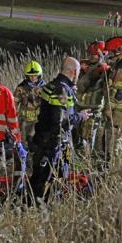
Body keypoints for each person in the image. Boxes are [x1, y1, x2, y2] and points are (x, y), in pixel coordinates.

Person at [29, 57, 91, 203]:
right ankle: (42, 209)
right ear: (74, 72)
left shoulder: (51, 85)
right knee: (50, 181)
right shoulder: (62, 89)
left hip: (42, 140)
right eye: (78, 72)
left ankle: (31, 204)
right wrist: (80, 117)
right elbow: (60, 120)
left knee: (38, 178)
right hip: (53, 145)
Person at [76, 42, 109, 156]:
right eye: (90, 53)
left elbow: (107, 90)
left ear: (101, 54)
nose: (91, 56)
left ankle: (85, 165)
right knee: (77, 139)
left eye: (94, 54)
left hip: (92, 110)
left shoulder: (104, 69)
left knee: (87, 140)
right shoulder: (83, 65)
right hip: (78, 108)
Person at [103, 37, 122, 165]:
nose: (110, 55)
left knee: (114, 143)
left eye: (112, 52)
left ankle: (117, 172)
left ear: (119, 50)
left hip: (121, 110)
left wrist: (108, 108)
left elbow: (120, 91)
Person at [14, 61, 46, 146]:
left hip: (39, 122)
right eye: (30, 75)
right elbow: (14, 105)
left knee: (39, 145)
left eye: (35, 75)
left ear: (39, 75)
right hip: (24, 122)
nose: (32, 77)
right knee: (24, 145)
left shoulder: (45, 88)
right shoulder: (21, 88)